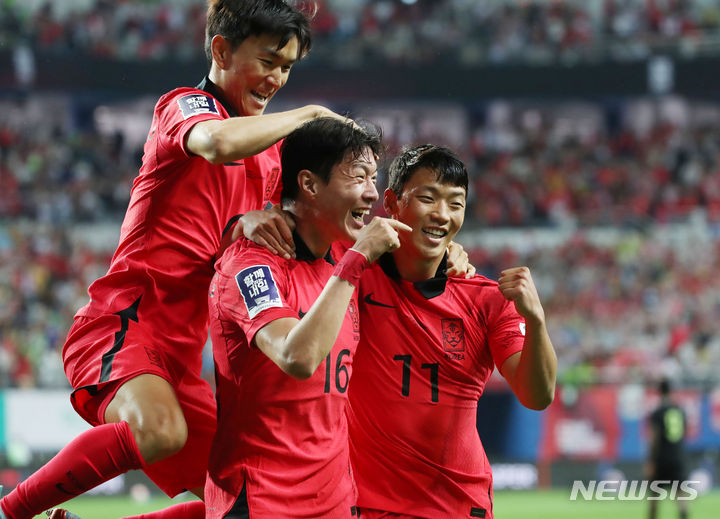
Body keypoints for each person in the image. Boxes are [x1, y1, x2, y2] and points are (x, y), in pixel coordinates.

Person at [0, 2, 351, 519]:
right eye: (270, 60)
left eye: (288, 68)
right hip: (125, 323)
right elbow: (213, 143)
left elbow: (235, 236)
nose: (277, 78)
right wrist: (310, 115)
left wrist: (241, 227)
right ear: (221, 49)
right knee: (160, 432)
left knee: (245, 494)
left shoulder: (272, 158)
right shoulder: (185, 107)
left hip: (184, 356)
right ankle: (11, 511)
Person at [205, 117, 409, 518]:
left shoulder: (341, 258)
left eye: (374, 177)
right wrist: (356, 261)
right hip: (260, 501)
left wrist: (452, 258)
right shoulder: (249, 267)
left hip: (335, 499)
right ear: (310, 185)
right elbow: (296, 357)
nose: (372, 194)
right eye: (358, 177)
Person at [346, 144, 558, 519]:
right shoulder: (355, 276)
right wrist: (253, 220)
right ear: (392, 203)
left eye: (456, 204)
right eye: (427, 198)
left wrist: (537, 321)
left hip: (459, 505)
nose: (442, 215)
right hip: (368, 505)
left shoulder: (487, 298)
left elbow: (537, 396)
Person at [647, 378, 689, 519]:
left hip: (661, 458)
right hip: (677, 456)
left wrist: (651, 461)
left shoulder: (658, 412)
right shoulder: (680, 411)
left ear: (659, 392)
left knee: (654, 496)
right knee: (680, 495)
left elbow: (654, 439)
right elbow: (684, 434)